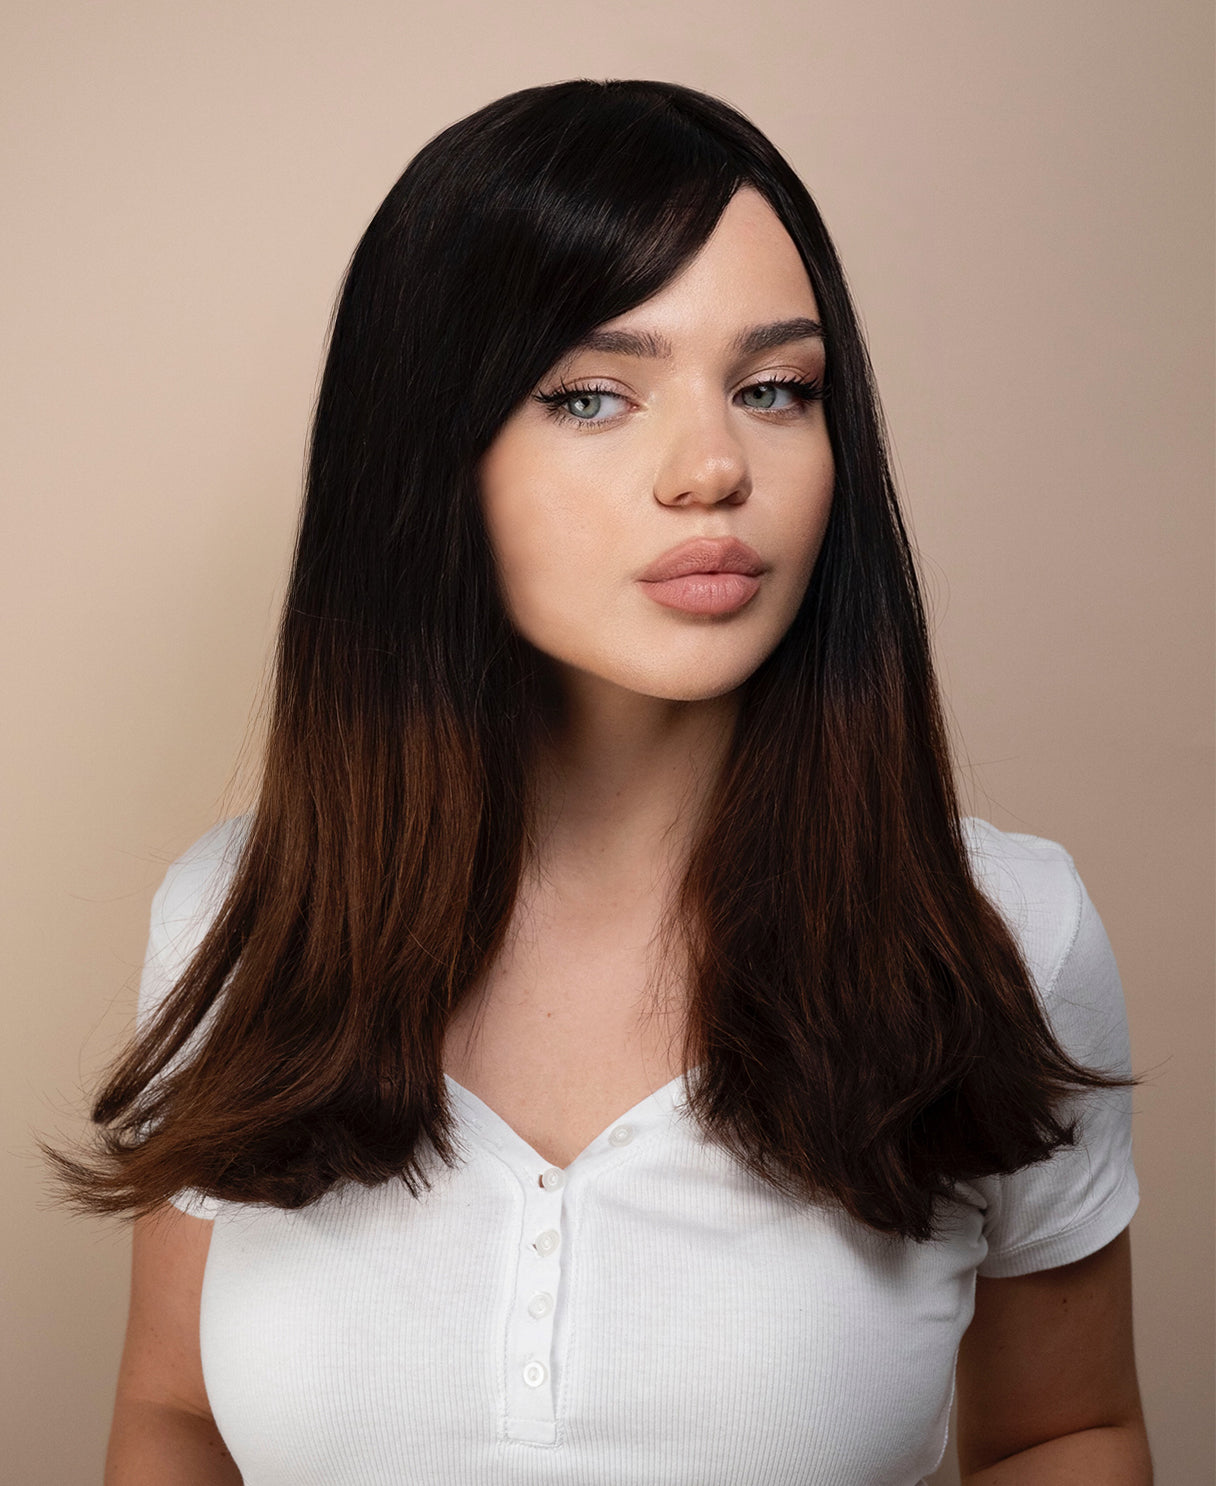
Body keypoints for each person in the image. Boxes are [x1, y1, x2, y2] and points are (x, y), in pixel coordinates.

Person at [45, 79, 1152, 1483]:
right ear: (428, 461)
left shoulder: (1002, 929)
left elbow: (1065, 1427)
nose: (713, 467)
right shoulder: (237, 921)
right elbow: (176, 1413)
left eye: (774, 389)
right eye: (590, 394)